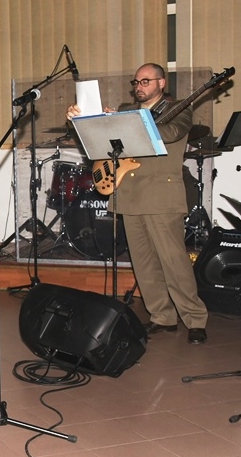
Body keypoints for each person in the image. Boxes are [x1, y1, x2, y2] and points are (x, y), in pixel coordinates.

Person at [66, 62, 208, 344]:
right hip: (129, 193)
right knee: (143, 263)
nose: (139, 86)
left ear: (161, 83)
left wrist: (128, 120)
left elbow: (169, 134)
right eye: (136, 82)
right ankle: (162, 316)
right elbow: (98, 137)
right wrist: (79, 117)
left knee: (174, 261)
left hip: (160, 195)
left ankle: (195, 318)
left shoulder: (178, 108)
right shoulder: (125, 110)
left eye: (146, 81)